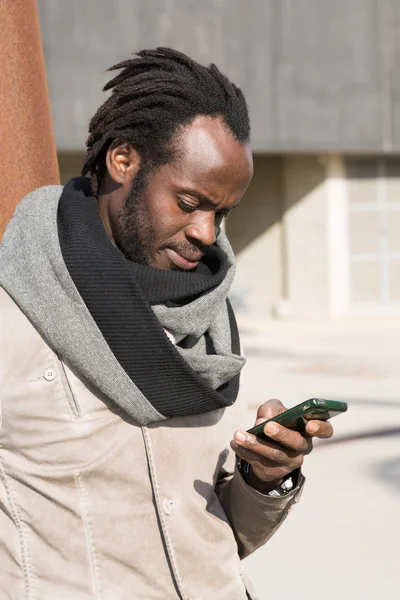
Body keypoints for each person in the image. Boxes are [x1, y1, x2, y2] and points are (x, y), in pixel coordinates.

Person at [0, 48, 333, 600]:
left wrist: (262, 478)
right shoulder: (13, 316)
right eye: (189, 201)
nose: (206, 232)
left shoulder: (204, 321)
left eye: (221, 212)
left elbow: (208, 535)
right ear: (123, 161)